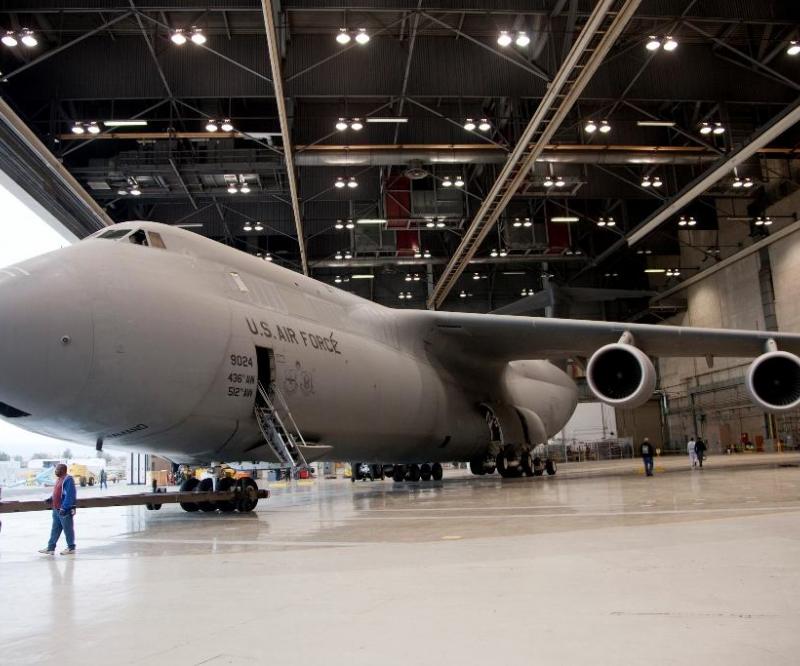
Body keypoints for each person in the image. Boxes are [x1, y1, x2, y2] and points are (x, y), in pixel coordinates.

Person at [38, 463, 76, 555]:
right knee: (55, 529)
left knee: (68, 529)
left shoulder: (68, 480)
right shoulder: (59, 479)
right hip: (56, 509)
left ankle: (71, 548)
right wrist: (51, 498)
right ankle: (51, 548)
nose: (56, 471)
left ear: (63, 470)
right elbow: (58, 492)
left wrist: (64, 508)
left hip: (64, 510)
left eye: (58, 469)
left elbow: (70, 495)